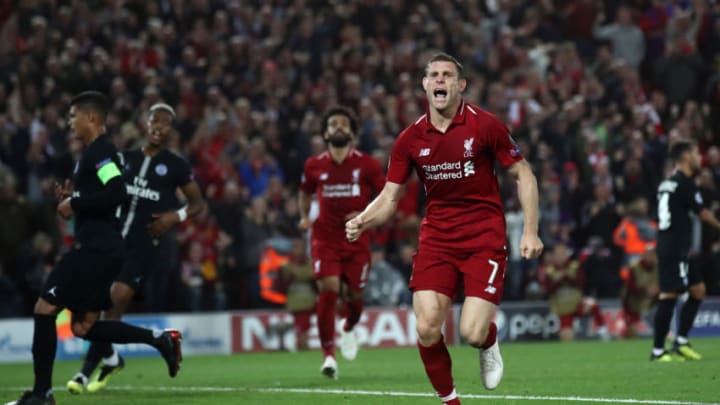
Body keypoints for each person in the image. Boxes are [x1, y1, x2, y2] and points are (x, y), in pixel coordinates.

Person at [346, 53, 543, 405]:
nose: (440, 80)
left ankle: (488, 339)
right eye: (433, 75)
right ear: (424, 84)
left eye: (447, 75)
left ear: (460, 85)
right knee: (426, 326)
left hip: (484, 238)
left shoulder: (485, 126)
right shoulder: (409, 139)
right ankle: (450, 401)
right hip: (437, 238)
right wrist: (363, 219)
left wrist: (530, 230)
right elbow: (390, 197)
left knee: (471, 331)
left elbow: (523, 173)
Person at [9, 92, 182, 405]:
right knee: (84, 326)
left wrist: (74, 202)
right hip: (104, 248)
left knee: (44, 309)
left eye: (73, 115)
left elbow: (117, 192)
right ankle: (160, 340)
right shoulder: (96, 154)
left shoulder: (100, 151)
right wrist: (74, 197)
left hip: (95, 249)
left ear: (91, 117)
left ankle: (41, 394)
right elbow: (104, 192)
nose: (69, 122)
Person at [66, 103, 205, 394]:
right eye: (154, 120)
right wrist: (76, 197)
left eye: (165, 123)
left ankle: (84, 373)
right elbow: (101, 189)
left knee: (114, 301)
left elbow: (198, 205)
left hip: (143, 246)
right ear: (145, 122)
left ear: (171, 130)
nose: (158, 126)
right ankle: (111, 359)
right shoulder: (123, 158)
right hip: (110, 240)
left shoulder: (176, 165)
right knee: (90, 309)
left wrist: (173, 217)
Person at [298, 106, 385, 379]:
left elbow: (387, 195)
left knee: (355, 298)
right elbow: (305, 192)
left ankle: (348, 328)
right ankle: (328, 356)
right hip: (325, 239)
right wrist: (304, 216)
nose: (338, 127)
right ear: (325, 133)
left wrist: (365, 216)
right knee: (329, 289)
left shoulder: (367, 164)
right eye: (333, 124)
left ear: (352, 133)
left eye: (343, 124)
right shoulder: (314, 165)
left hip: (356, 239)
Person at [651, 141, 720, 362]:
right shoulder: (685, 183)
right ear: (685, 157)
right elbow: (703, 214)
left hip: (674, 247)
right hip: (673, 249)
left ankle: (680, 341)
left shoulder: (667, 184)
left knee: (698, 289)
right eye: (696, 153)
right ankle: (658, 351)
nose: (700, 158)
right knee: (669, 294)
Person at [539, 243, 610, 342]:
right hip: (563, 309)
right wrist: (560, 281)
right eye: (558, 254)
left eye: (562, 253)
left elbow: (581, 283)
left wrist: (566, 279)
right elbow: (548, 290)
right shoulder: (549, 270)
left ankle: (603, 330)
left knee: (592, 304)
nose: (560, 257)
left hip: (577, 304)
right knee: (567, 337)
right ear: (554, 256)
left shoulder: (574, 266)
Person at [280, 237, 316, 351]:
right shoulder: (286, 264)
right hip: (295, 300)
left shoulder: (308, 263)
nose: (299, 250)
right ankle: (301, 344)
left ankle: (303, 343)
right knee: (301, 324)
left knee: (304, 325)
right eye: (295, 247)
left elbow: (313, 276)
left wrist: (297, 273)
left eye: (301, 247)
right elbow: (281, 283)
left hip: (309, 300)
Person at [621, 244, 659, 338]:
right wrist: (646, 290)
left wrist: (658, 289)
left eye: (653, 254)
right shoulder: (634, 267)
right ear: (643, 255)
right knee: (632, 332)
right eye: (649, 254)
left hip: (653, 303)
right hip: (633, 303)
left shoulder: (659, 267)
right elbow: (630, 287)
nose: (651, 257)